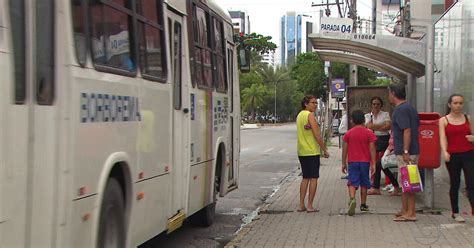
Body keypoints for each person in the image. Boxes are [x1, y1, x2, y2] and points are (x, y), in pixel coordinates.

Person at [439, 94, 474, 222]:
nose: (458, 106)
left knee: (471, 183)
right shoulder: (443, 120)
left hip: (469, 153)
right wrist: (444, 151)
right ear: (450, 105)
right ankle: (455, 211)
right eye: (455, 103)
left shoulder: (468, 118)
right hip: (453, 155)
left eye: (460, 103)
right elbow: (442, 138)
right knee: (455, 183)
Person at [388, 83, 420, 222]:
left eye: (389, 93)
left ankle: (411, 213)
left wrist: (405, 151)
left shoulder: (400, 110)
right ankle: (405, 209)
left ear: (393, 93)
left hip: (406, 152)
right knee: (404, 181)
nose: (388, 96)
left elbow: (407, 130)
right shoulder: (410, 108)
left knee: (408, 182)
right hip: (408, 151)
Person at [296, 95, 329, 213]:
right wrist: (324, 149)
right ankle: (310, 205)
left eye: (316, 103)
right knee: (314, 178)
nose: (315, 105)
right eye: (313, 103)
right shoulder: (310, 115)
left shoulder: (300, 115)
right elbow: (317, 135)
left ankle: (301, 204)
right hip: (312, 151)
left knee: (305, 177)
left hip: (302, 151)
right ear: (306, 103)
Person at [342, 110, 377, 216]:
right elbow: (372, 149)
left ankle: (352, 199)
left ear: (352, 121)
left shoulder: (348, 133)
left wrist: (343, 162)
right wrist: (373, 163)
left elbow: (345, 149)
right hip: (365, 162)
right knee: (364, 183)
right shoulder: (369, 133)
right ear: (364, 120)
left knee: (352, 181)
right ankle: (363, 204)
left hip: (352, 162)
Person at [364, 97, 393, 195]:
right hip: (372, 140)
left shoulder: (385, 114)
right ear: (371, 105)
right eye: (374, 104)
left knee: (385, 162)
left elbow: (388, 126)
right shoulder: (367, 116)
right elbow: (368, 126)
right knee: (374, 161)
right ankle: (373, 182)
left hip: (384, 139)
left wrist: (375, 126)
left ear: (381, 105)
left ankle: (389, 183)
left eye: (377, 104)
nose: (375, 106)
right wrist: (382, 126)